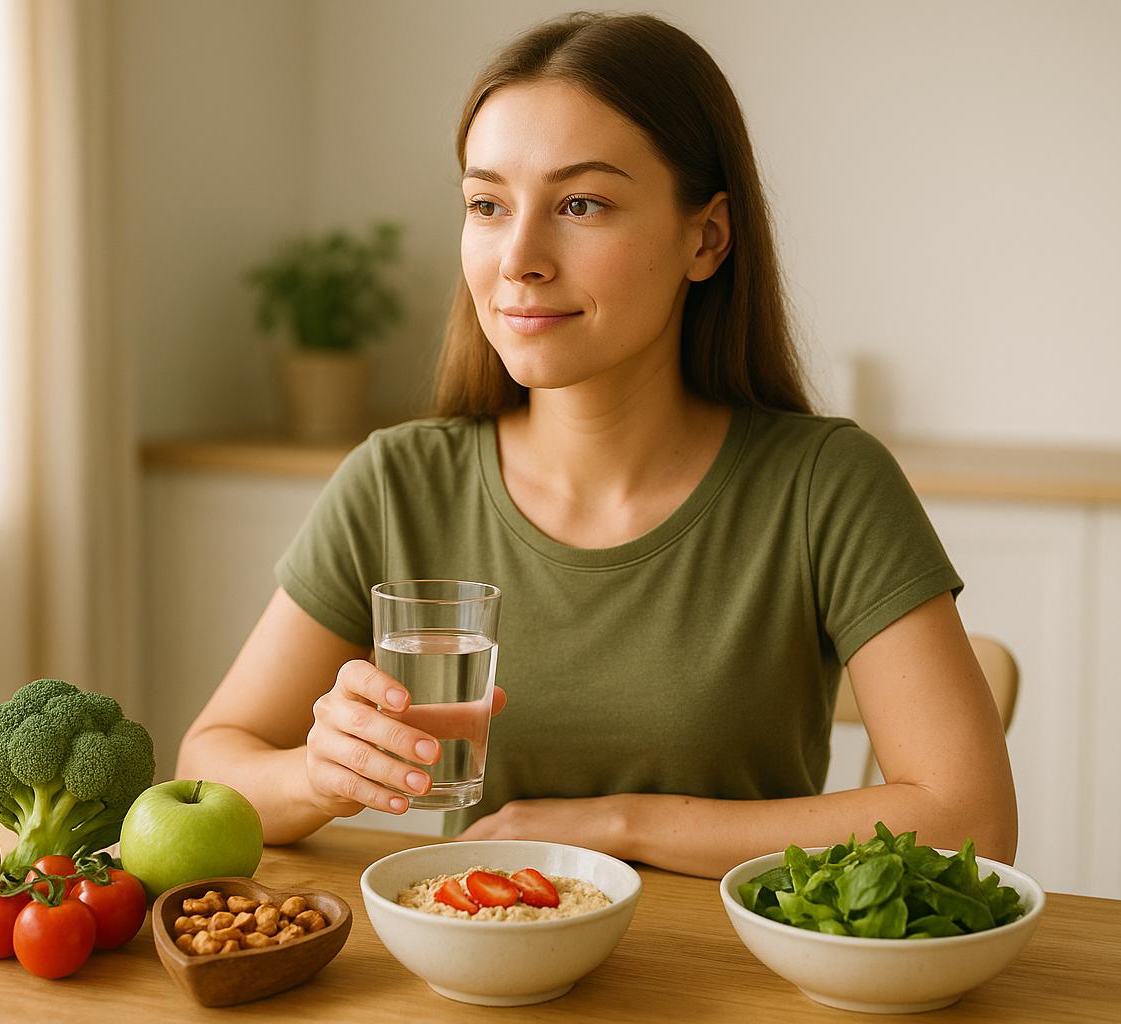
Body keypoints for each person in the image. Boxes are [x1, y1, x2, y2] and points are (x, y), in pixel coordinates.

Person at [176, 11, 1016, 879]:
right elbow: (210, 762)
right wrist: (319, 774)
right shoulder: (399, 482)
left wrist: (615, 827)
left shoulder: (824, 486)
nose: (520, 257)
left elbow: (970, 820)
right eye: (487, 205)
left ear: (707, 237)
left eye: (581, 204)